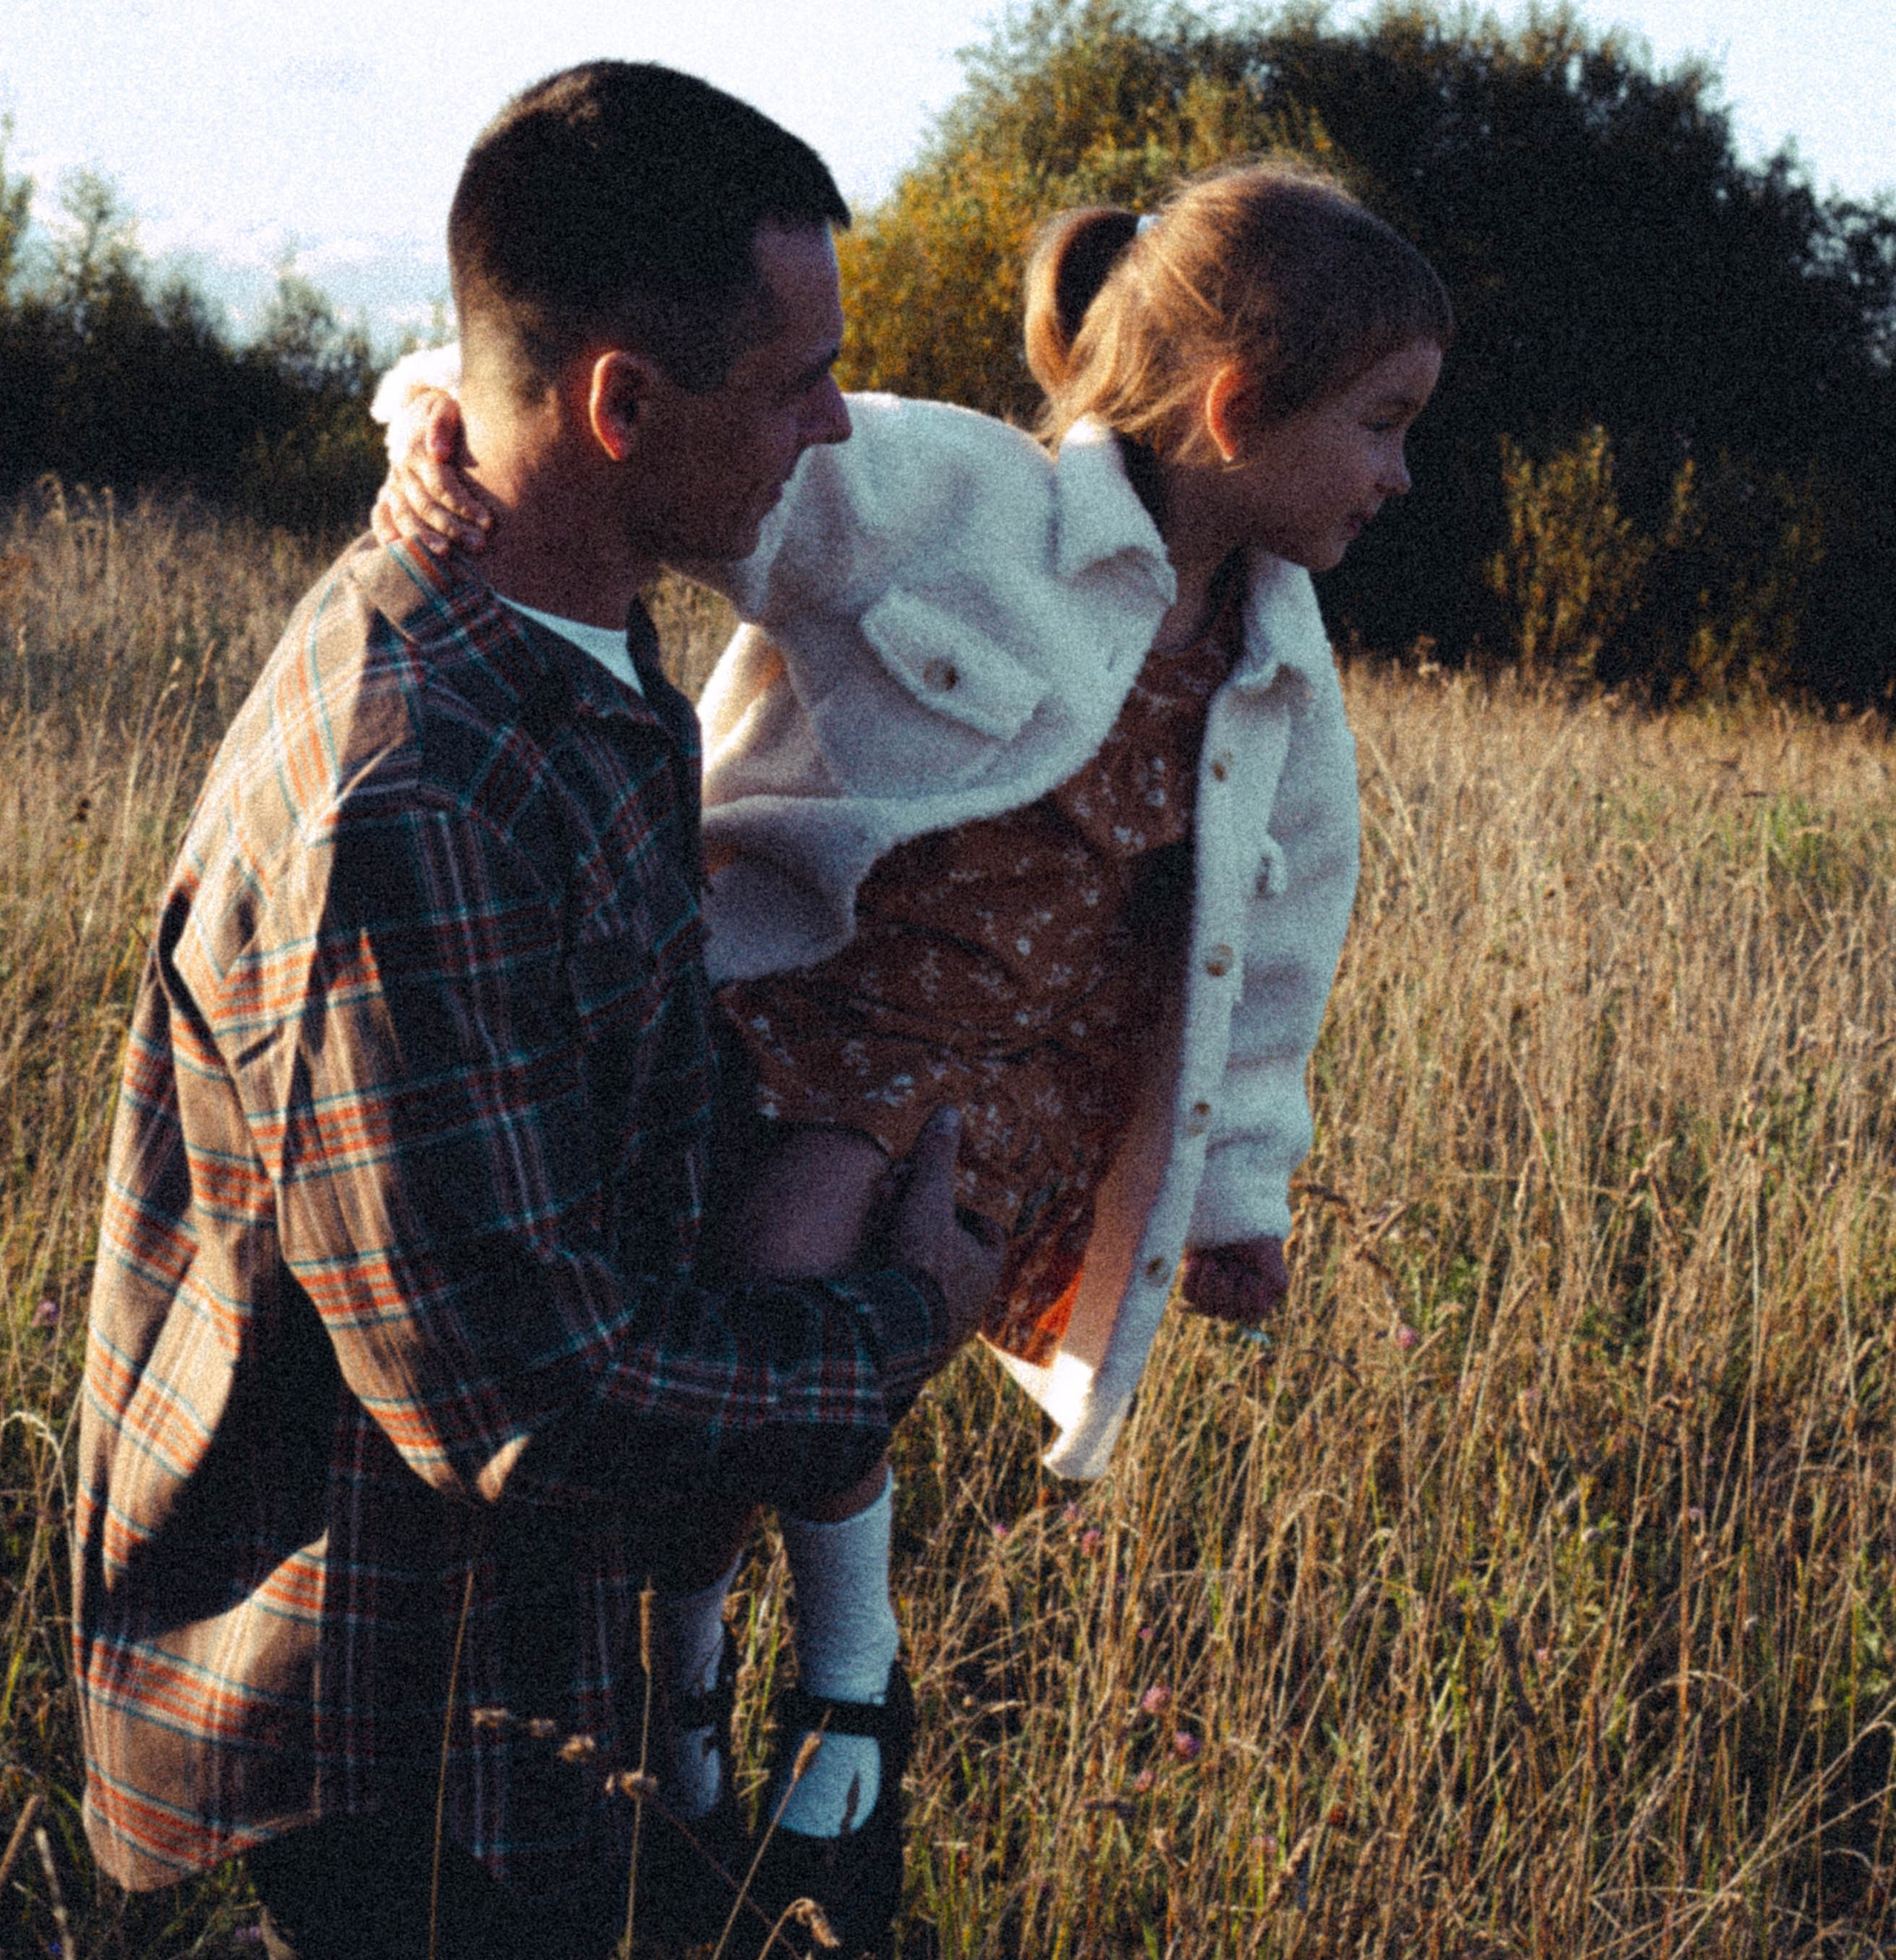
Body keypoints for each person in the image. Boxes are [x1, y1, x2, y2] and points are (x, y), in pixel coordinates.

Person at [377, 153, 1453, 1948]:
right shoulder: (967, 502)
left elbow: (1277, 942)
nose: (1400, 476)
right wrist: (440, 429)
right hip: (822, 1007)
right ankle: (704, 1665)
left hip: (1020, 1080)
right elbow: (622, 419)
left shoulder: (1276, 665)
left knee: (809, 1318)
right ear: (1239, 407)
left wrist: (1239, 1192)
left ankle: (848, 1673)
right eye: (1381, 425)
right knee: (772, 1299)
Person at [73, 61, 999, 1960]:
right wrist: (901, 1320)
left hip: (520, 1675)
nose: (835, 427)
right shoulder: (410, 790)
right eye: (796, 382)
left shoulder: (561, 629)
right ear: (620, 405)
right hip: (391, 1724)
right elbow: (515, 1390)